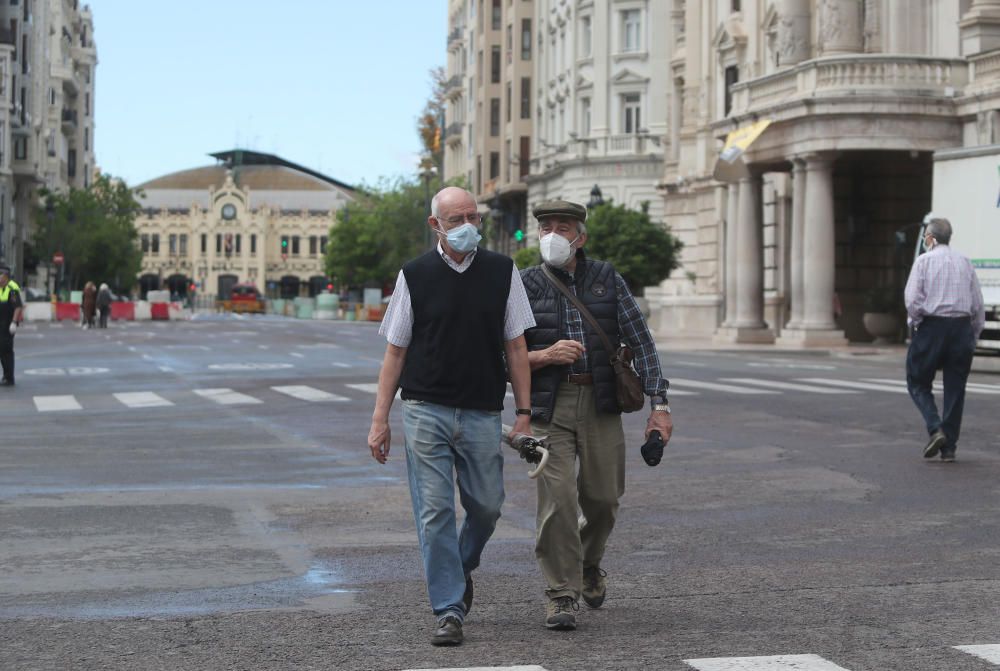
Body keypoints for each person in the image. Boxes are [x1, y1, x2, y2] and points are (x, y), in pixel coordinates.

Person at [366, 186, 535, 646]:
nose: (467, 227)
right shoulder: (415, 275)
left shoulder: (502, 271)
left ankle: (460, 566)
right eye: (455, 219)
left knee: (487, 504)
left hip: (482, 411)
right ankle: (449, 608)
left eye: (472, 217)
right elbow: (395, 351)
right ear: (435, 225)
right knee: (435, 510)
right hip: (425, 409)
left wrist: (523, 414)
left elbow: (517, 346)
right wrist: (380, 419)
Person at [520, 199, 673, 630]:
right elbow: (502, 354)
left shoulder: (607, 278)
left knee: (603, 500)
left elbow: (641, 343)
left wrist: (659, 406)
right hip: (549, 408)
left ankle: (588, 563)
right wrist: (545, 355)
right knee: (558, 503)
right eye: (545, 227)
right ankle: (561, 594)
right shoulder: (523, 284)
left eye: (563, 227)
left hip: (601, 404)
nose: (552, 235)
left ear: (581, 237)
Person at [904, 215, 985, 463]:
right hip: (961, 328)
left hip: (933, 326)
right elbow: (977, 303)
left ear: (931, 238)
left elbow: (912, 300)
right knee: (955, 388)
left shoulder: (924, 261)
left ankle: (935, 427)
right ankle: (949, 448)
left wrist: (916, 323)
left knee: (917, 381)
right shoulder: (965, 262)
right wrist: (973, 334)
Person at [0, 265, 24, 387]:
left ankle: (9, 378)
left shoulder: (12, 288)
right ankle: (5, 375)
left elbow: (18, 306)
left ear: (6, 277)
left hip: (8, 324)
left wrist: (14, 322)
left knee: (6, 350)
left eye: (0, 275)